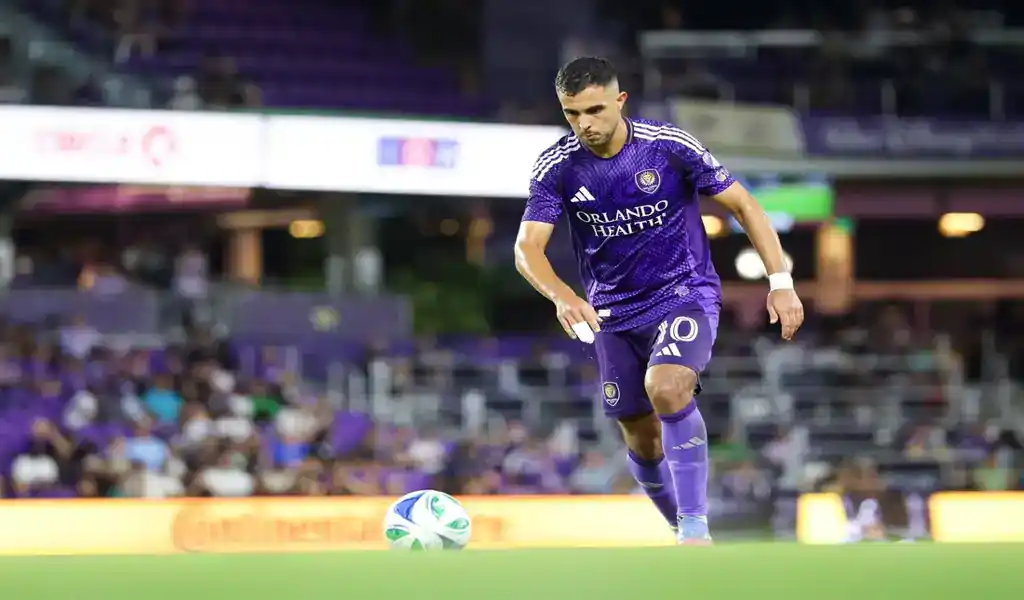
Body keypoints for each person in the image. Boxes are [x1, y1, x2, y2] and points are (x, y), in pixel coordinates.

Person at [513, 57, 804, 544]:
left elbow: (743, 204)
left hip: (682, 293)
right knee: (640, 438)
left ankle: (695, 528)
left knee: (666, 388)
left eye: (595, 110)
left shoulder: (667, 146)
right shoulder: (557, 166)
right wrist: (563, 296)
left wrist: (780, 280)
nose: (584, 123)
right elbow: (527, 248)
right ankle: (678, 524)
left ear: (620, 101)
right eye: (572, 114)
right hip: (612, 313)